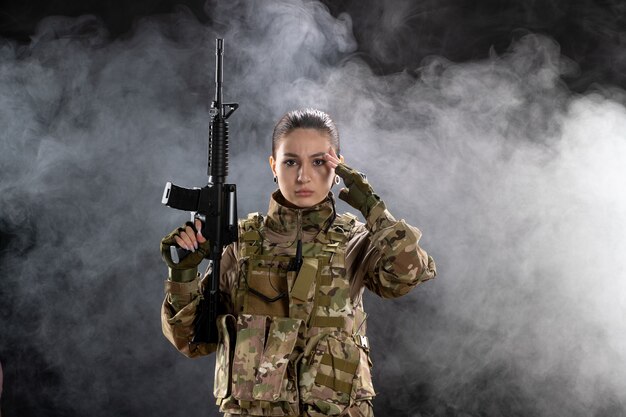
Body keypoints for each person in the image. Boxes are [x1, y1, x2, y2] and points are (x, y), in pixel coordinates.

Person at [160, 108, 436, 417]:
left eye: (319, 162)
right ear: (273, 166)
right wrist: (182, 273)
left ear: (339, 169)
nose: (303, 176)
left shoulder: (356, 241)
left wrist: (373, 209)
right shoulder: (239, 244)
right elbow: (191, 341)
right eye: (290, 161)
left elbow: (407, 275)